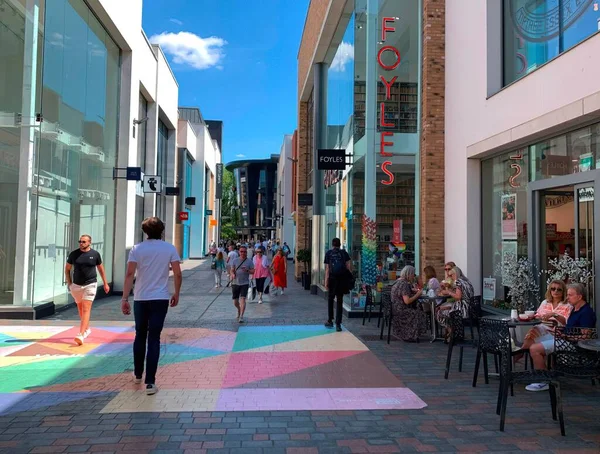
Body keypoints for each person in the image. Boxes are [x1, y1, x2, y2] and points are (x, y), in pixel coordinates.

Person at [121, 217, 182, 395]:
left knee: (140, 335)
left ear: (144, 231)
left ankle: (138, 374)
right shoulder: (169, 248)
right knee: (154, 337)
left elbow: (129, 274)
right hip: (160, 298)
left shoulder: (137, 249)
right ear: (161, 231)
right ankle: (150, 382)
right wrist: (176, 293)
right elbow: (177, 274)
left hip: (140, 297)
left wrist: (125, 298)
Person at [526, 283, 597, 392]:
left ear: (579, 297)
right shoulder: (575, 309)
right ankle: (541, 374)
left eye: (570, 295)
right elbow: (569, 327)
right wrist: (559, 331)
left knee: (535, 349)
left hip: (573, 345)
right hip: (564, 339)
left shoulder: (586, 312)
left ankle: (544, 381)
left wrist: (565, 336)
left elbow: (586, 336)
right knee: (532, 340)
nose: (567, 297)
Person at [65, 235, 110, 346]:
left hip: (90, 284)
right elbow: (67, 269)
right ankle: (86, 329)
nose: (81, 243)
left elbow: (101, 269)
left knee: (86, 308)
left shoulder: (95, 254)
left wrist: (105, 283)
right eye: (80, 241)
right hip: (76, 285)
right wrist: (70, 284)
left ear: (90, 242)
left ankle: (81, 334)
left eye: (84, 241)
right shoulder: (74, 254)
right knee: (80, 309)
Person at [514, 280, 571, 362]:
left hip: (557, 333)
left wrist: (554, 314)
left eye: (559, 289)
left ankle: (519, 354)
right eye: (553, 289)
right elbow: (537, 316)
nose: (555, 291)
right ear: (549, 290)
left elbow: (566, 322)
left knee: (532, 336)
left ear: (564, 291)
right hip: (543, 328)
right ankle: (521, 353)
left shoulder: (567, 305)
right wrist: (538, 317)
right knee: (534, 330)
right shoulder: (545, 302)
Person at [391, 265, 428, 342]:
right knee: (420, 313)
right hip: (401, 311)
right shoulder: (404, 284)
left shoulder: (397, 282)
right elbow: (407, 301)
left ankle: (410, 334)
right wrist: (418, 294)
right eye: (413, 274)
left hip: (395, 309)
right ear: (409, 274)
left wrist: (412, 291)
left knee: (418, 310)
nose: (413, 277)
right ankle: (411, 335)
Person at [437, 267, 474, 339]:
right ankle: (454, 334)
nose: (450, 277)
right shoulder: (467, 281)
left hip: (461, 309)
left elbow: (458, 297)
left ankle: (452, 333)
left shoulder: (458, 282)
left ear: (456, 274)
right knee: (443, 308)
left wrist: (448, 292)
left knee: (439, 312)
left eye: (451, 275)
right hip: (469, 308)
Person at [324, 238, 351, 332]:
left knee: (330, 299)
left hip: (332, 279)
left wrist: (326, 281)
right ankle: (338, 324)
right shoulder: (344, 253)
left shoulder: (329, 253)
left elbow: (327, 269)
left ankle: (330, 320)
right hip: (342, 280)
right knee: (340, 301)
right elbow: (348, 267)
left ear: (332, 245)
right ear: (340, 245)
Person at [229, 245, 254, 323]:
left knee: (243, 299)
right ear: (239, 252)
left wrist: (247, 270)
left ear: (246, 252)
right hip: (235, 282)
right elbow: (231, 270)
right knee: (235, 301)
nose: (243, 253)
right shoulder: (235, 260)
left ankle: (241, 316)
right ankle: (239, 309)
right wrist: (232, 274)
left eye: (244, 252)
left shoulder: (249, 261)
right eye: (241, 251)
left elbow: (253, 271)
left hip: (245, 283)